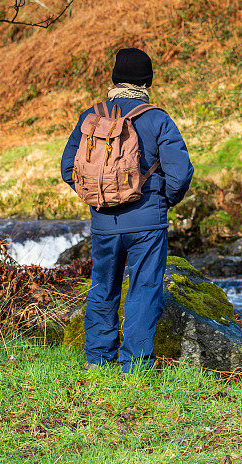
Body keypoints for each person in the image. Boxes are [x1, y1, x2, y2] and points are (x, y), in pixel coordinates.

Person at [60, 47, 194, 373]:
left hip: (103, 223)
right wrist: (161, 202)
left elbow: (68, 169)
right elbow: (181, 173)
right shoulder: (158, 119)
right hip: (147, 222)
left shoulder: (91, 117)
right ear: (147, 81)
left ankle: (98, 361)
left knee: (103, 288)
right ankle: (134, 369)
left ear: (114, 77)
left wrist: (99, 197)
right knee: (144, 290)